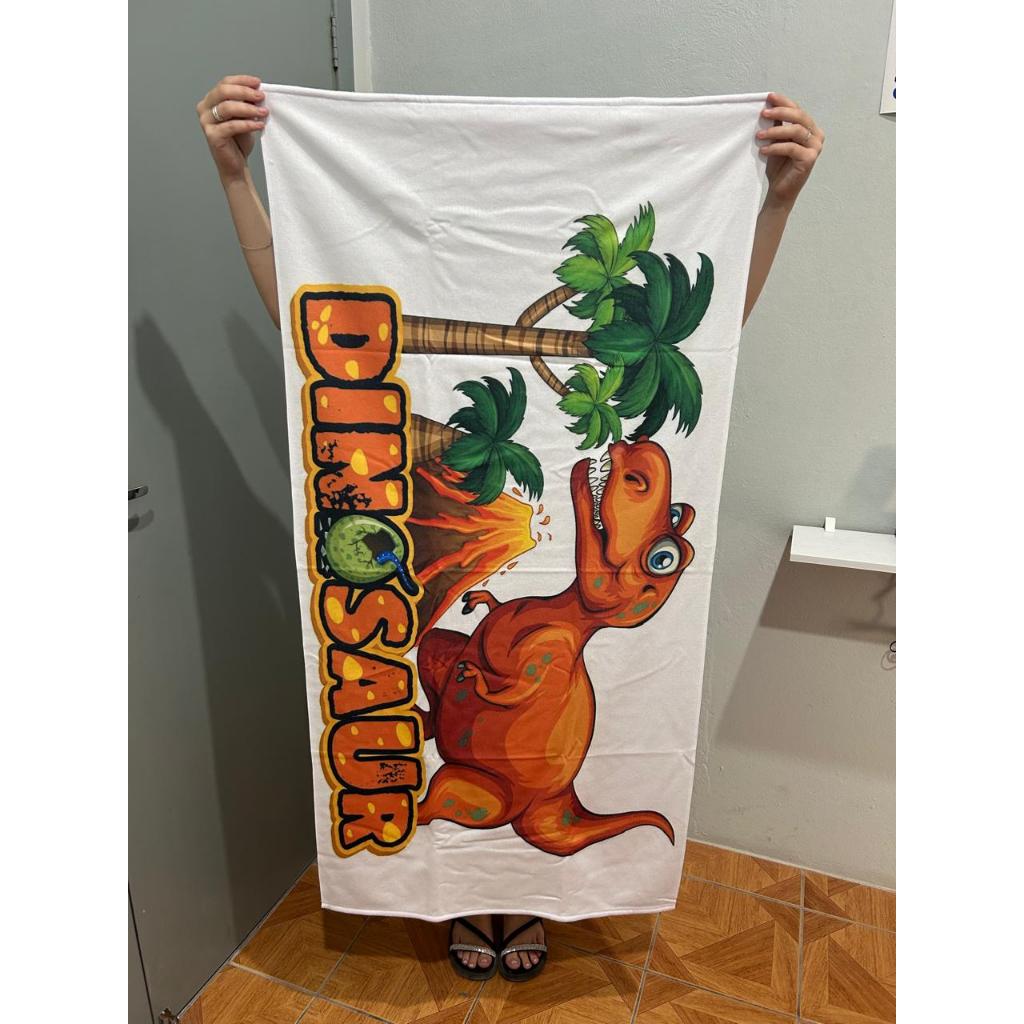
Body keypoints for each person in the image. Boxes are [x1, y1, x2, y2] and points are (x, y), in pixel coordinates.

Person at [196, 74, 823, 982]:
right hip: (443, 605)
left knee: (513, 763)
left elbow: (702, 341)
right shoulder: (417, 377)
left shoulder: (589, 388)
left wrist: (775, 202)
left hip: (507, 704)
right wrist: (236, 178)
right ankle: (466, 892)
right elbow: (313, 328)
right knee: (466, 759)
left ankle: (523, 895)